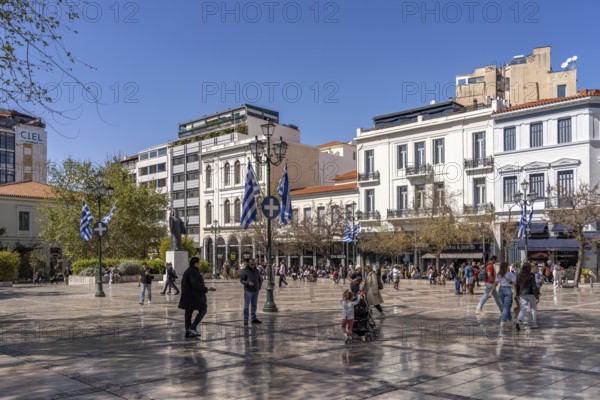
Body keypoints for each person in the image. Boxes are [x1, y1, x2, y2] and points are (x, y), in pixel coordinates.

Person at [178, 257, 215, 338]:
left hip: (188, 296)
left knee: (188, 314)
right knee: (203, 310)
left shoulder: (187, 271)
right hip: (194, 297)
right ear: (195, 263)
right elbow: (195, 284)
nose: (200, 264)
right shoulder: (193, 272)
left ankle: (188, 331)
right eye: (199, 263)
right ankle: (192, 327)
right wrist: (205, 289)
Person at [489, 261, 516, 328]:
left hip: (500, 290)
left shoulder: (499, 275)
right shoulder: (510, 274)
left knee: (505, 307)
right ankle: (503, 321)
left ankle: (509, 320)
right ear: (506, 267)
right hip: (507, 290)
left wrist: (491, 292)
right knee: (506, 307)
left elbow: (495, 283)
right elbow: (515, 282)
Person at [515, 262, 540, 330]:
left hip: (522, 294)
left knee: (523, 308)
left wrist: (517, 294)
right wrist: (537, 296)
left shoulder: (519, 275)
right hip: (531, 293)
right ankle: (533, 324)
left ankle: (519, 320)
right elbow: (534, 286)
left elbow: (517, 285)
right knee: (533, 308)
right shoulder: (531, 275)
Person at [240, 259, 263, 326]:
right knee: (246, 306)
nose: (253, 265)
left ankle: (253, 318)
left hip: (255, 290)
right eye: (251, 264)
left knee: (254, 305)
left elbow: (260, 279)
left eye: (254, 264)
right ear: (249, 264)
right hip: (248, 291)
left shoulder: (257, 271)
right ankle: (246, 319)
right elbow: (241, 280)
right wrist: (247, 283)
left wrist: (259, 286)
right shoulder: (245, 270)